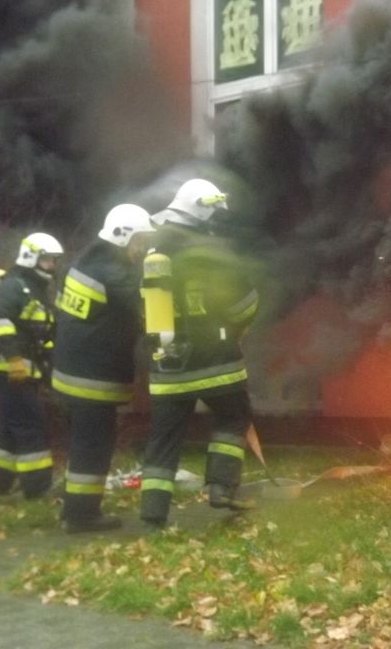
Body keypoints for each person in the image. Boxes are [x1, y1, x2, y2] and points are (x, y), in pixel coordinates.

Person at [140, 178, 260, 527]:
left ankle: (152, 512)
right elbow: (244, 304)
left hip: (167, 364)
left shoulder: (153, 251)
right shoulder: (214, 253)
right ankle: (221, 488)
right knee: (233, 417)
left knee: (164, 438)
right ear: (204, 213)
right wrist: (238, 325)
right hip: (215, 360)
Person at [52, 204, 156, 533]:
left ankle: (73, 507)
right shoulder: (114, 273)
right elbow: (145, 305)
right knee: (93, 446)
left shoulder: (85, 263)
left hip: (71, 371)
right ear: (123, 236)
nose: (143, 248)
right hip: (92, 377)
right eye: (140, 240)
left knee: (83, 444)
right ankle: (81, 516)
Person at [0, 232, 64, 499]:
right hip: (6, 370)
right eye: (47, 259)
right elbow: (0, 323)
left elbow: (42, 335)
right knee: (31, 424)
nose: (52, 265)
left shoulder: (37, 291)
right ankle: (38, 486)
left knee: (10, 425)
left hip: (23, 372)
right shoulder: (13, 286)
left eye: (54, 260)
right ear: (30, 257)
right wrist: (14, 360)